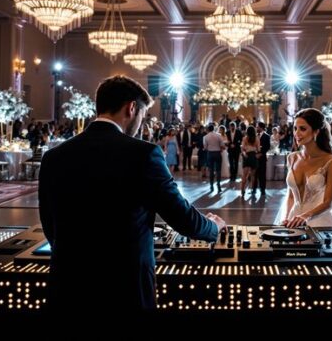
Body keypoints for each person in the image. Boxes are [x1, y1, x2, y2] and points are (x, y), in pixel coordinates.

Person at [38, 76, 225, 311]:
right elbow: (181, 216)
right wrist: (213, 227)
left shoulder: (54, 157)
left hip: (68, 287)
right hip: (124, 288)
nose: (140, 124)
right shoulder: (143, 154)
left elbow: (49, 225)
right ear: (131, 108)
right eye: (142, 116)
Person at [274, 108, 332, 228]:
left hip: (319, 222)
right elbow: (291, 196)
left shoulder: (331, 161)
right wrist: (286, 218)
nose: (296, 133)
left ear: (316, 132)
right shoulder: (292, 158)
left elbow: (328, 202)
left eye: (302, 129)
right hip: (293, 221)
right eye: (295, 128)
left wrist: (305, 216)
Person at [240, 126, 259, 196]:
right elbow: (258, 149)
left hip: (247, 156)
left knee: (244, 175)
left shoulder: (245, 138)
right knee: (253, 175)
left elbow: (242, 149)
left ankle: (242, 190)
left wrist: (244, 154)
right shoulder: (256, 139)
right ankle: (252, 189)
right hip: (253, 156)